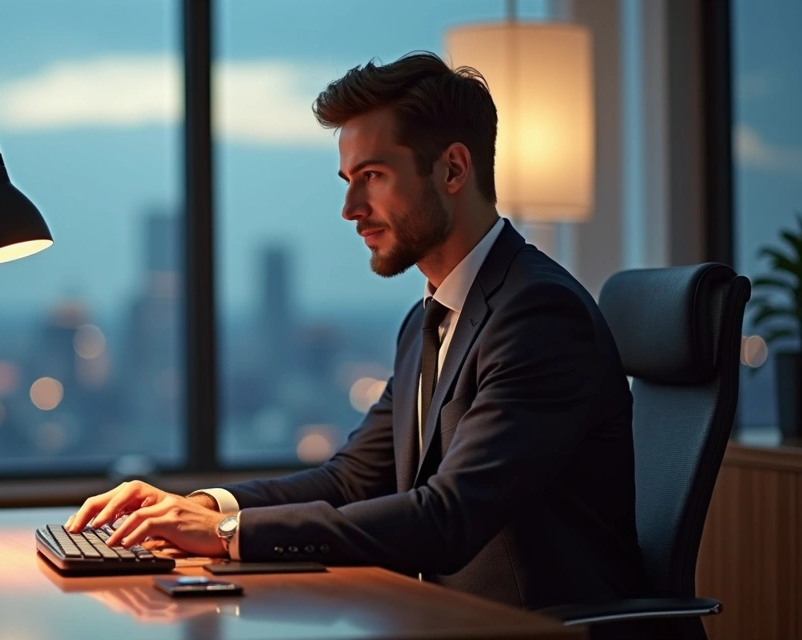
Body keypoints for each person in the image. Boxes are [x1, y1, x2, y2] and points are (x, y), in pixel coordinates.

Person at [66, 51, 646, 611]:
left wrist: (225, 535)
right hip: (438, 618)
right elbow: (351, 480)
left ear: (452, 169)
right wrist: (203, 507)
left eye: (372, 175)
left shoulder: (538, 314)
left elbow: (448, 518)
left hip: (532, 628)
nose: (349, 207)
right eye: (348, 179)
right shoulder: (426, 321)